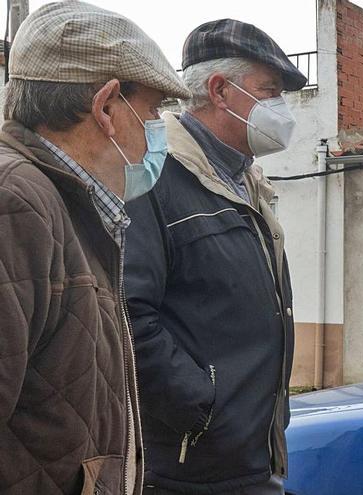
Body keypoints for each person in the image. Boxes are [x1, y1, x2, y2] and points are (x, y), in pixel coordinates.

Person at [0, 2, 190, 494]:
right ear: (106, 107)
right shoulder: (15, 203)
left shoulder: (66, 206)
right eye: (152, 111)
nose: (157, 130)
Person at [123, 18, 305, 494]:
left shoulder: (247, 182)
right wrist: (204, 408)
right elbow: (127, 312)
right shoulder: (151, 178)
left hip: (252, 458)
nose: (281, 108)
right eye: (269, 91)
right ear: (220, 90)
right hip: (190, 470)